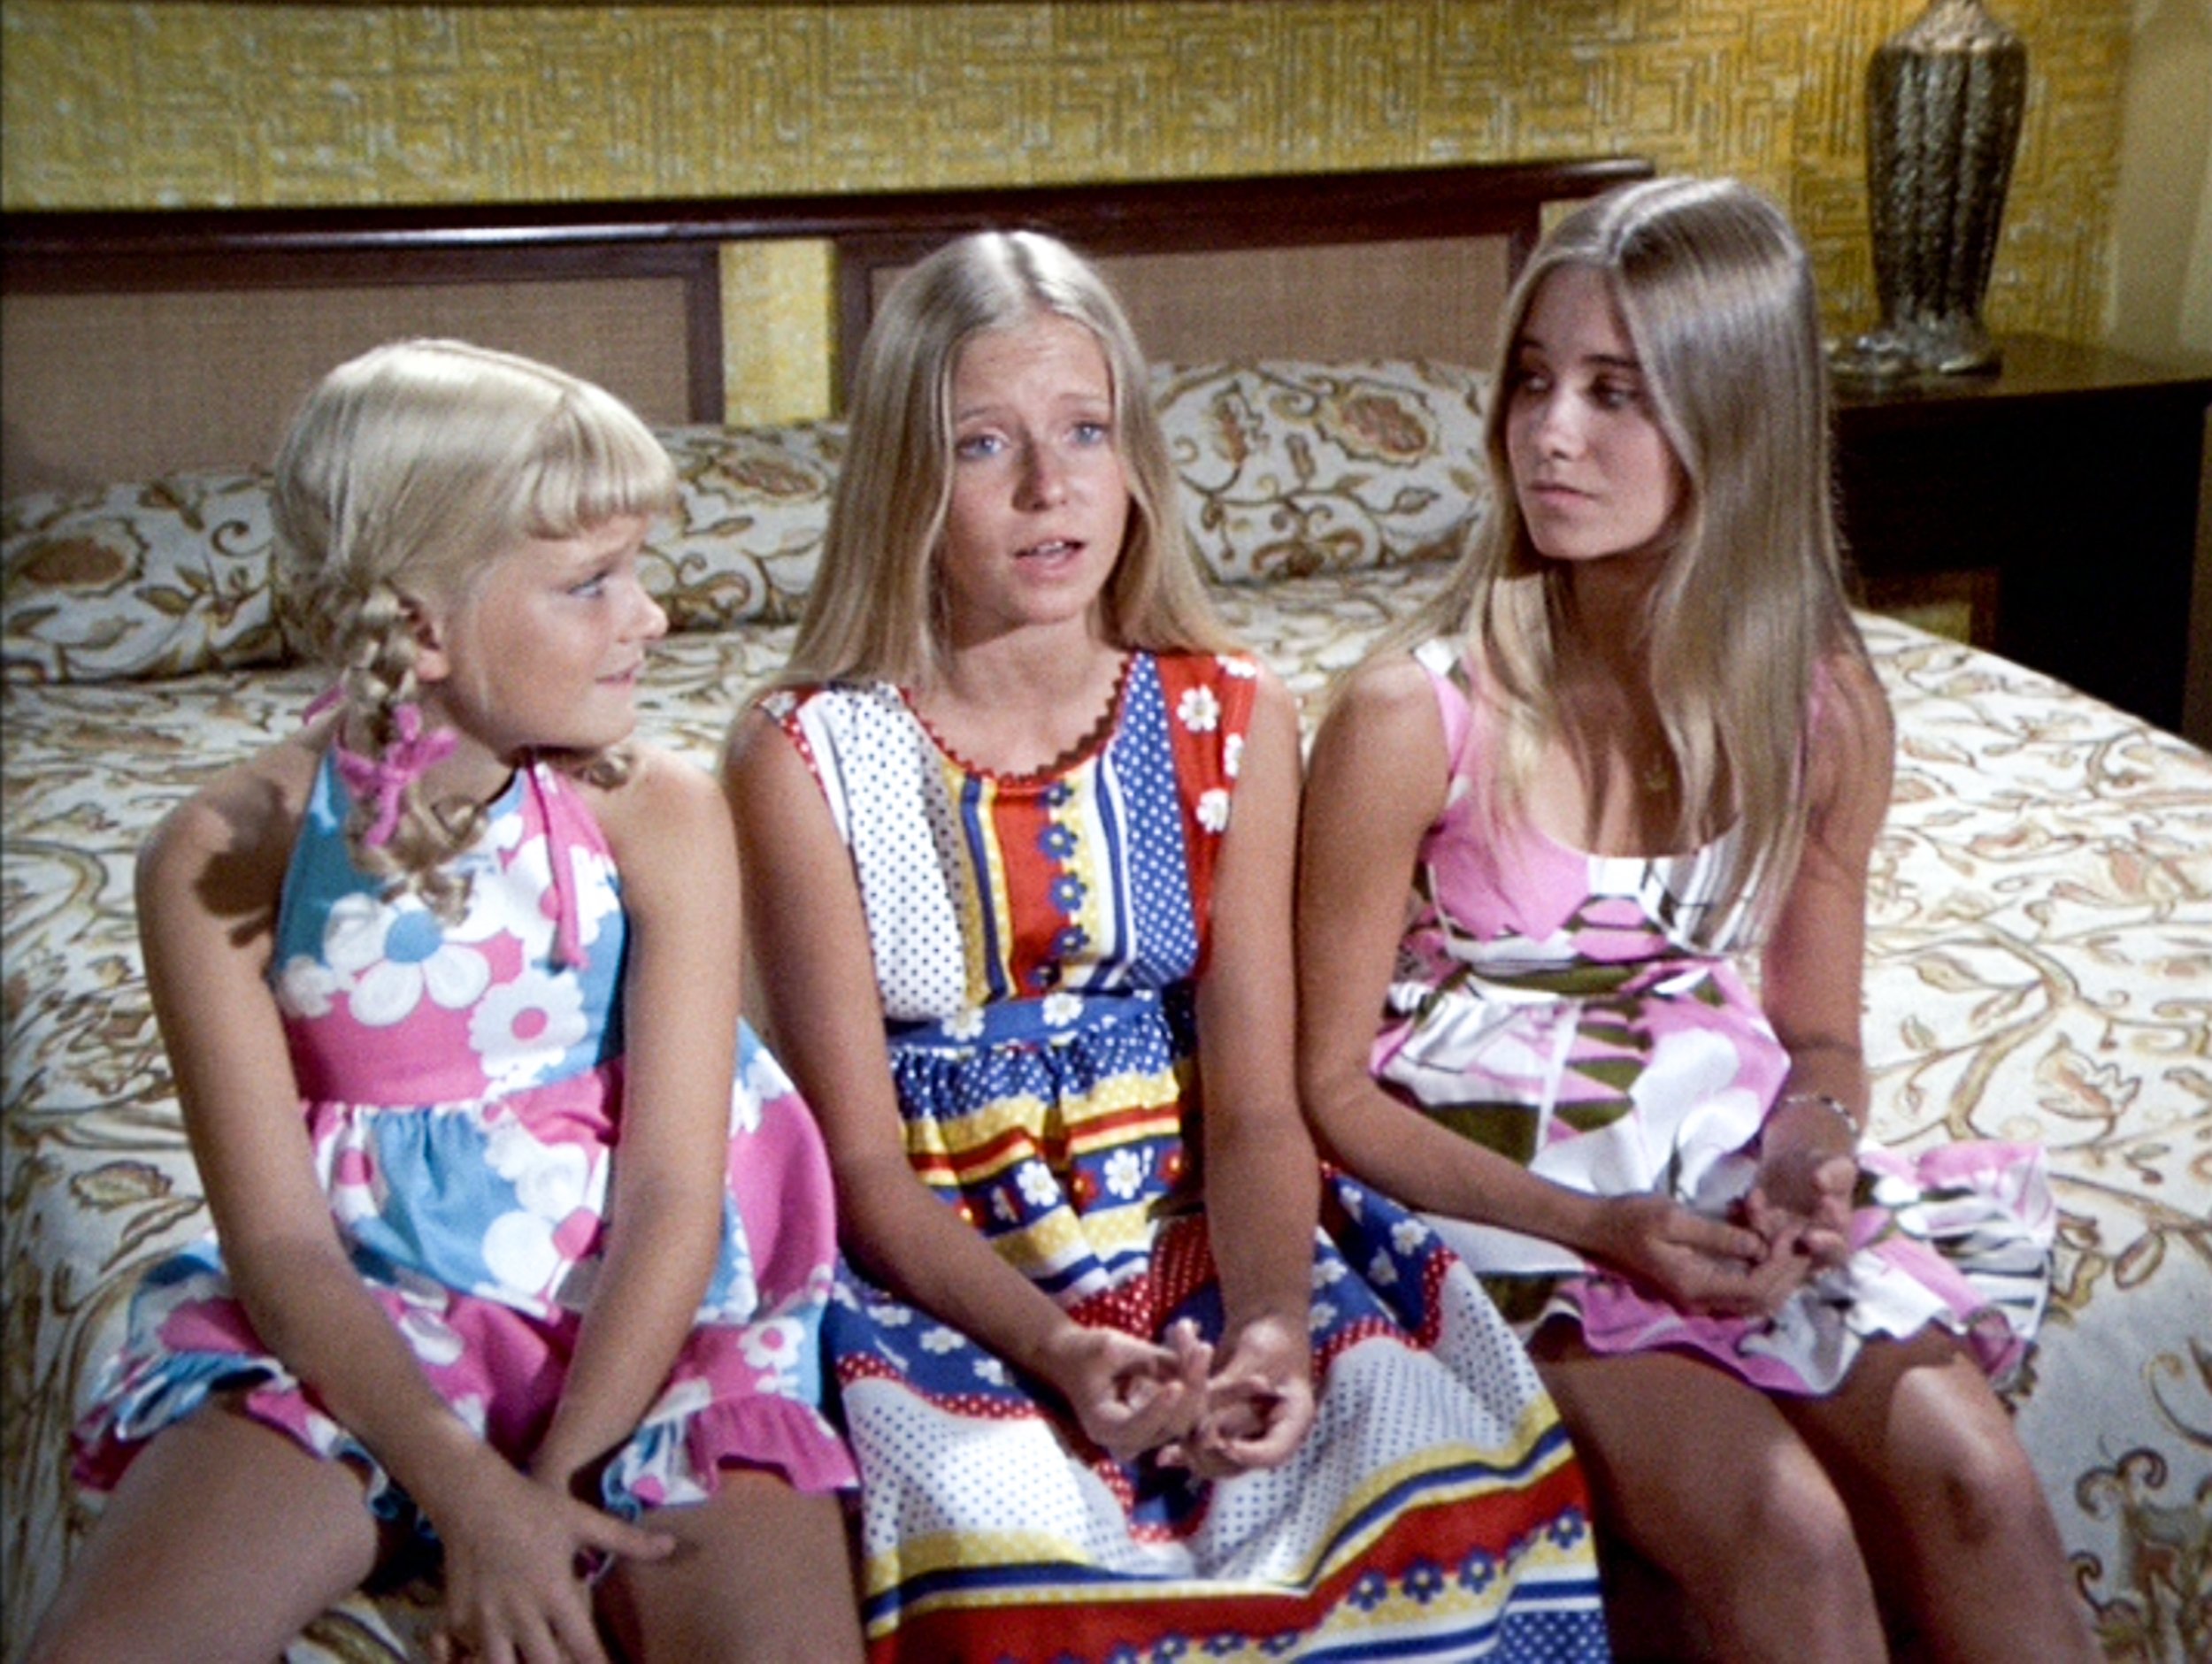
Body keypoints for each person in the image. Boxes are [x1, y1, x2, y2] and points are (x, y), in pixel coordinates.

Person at [723, 230, 1615, 1661]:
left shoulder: (1228, 713)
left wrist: (1271, 1328)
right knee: (1005, 1533)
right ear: (905, 476)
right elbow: (863, 1171)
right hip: (955, 1271)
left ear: (1138, 458)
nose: (1048, 487)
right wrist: (1061, 1349)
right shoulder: (807, 753)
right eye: (982, 445)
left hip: (1213, 1231)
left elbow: (1262, 1102)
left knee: (1412, 1472)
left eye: (1088, 430)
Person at [1295, 176, 2096, 1663]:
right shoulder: (1416, 715)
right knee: (1785, 1530)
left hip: (1711, 1166)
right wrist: (1599, 1229)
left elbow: (1820, 1032)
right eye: (1535, 381)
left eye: (1618, 393)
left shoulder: (1820, 706)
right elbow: (1326, 1086)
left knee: (1978, 1478)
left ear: (1736, 418)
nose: (1551, 434)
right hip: (1503, 1204)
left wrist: (1816, 1145)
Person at [31, 340, 863, 1664]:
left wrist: (555, 1488)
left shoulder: (658, 815)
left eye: (637, 570)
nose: (651, 617)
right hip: (373, 1318)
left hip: (651, 1329)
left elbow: (671, 1200)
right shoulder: (222, 851)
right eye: (591, 584)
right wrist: (464, 1489)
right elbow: (286, 1251)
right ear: (420, 627)